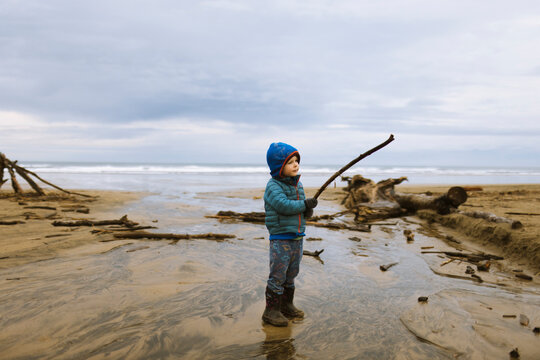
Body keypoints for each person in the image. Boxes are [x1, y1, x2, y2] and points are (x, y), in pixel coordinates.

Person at [262, 142, 318, 327]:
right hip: (281, 237)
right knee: (278, 274)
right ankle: (271, 311)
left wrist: (307, 210)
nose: (296, 165)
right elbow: (284, 206)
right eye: (290, 162)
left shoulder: (297, 185)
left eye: (297, 161)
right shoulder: (273, 186)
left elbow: (301, 206)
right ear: (279, 167)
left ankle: (287, 305)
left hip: (297, 237)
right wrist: (304, 205)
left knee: (291, 273)